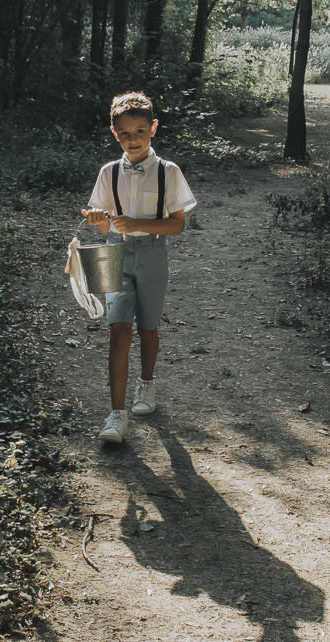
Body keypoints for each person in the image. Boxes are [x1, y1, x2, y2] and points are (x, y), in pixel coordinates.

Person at [80, 91, 197, 444]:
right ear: (115, 133)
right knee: (118, 331)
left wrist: (137, 224)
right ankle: (116, 414)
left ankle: (147, 384)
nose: (133, 140)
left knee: (147, 328)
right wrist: (100, 223)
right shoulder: (109, 172)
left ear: (153, 129)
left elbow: (177, 225)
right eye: (125, 134)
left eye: (140, 132)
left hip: (153, 254)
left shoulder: (168, 173)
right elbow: (101, 226)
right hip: (115, 253)